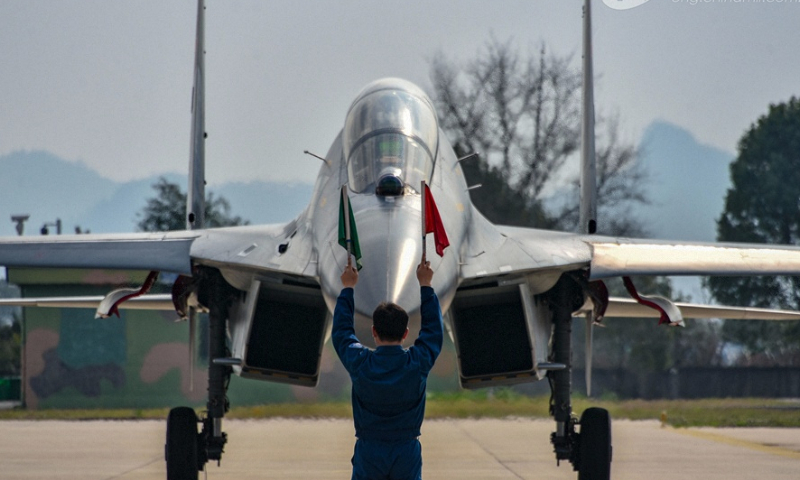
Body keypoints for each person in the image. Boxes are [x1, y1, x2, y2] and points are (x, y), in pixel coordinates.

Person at [332, 256, 443, 480]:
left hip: (369, 451)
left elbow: (342, 333)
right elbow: (433, 331)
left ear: (373, 332)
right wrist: (425, 285)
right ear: (405, 333)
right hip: (406, 451)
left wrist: (348, 289)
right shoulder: (417, 362)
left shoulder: (360, 362)